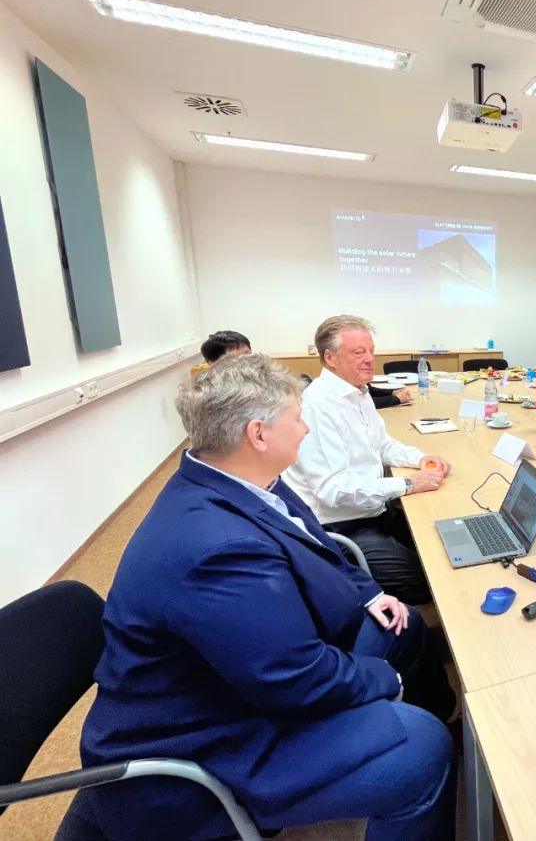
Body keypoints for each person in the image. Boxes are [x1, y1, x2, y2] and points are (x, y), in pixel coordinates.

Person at [78, 354, 457, 841]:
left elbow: (318, 545)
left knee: (402, 624)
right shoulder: (216, 548)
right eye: (296, 418)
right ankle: (410, 748)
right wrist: (387, 680)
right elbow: (292, 678)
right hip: (211, 740)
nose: (305, 428)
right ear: (258, 434)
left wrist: (369, 594)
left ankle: (408, 722)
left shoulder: (241, 480)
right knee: (423, 749)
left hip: (251, 679)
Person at [283, 315, 449, 604]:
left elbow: (381, 444)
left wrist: (420, 458)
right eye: (359, 352)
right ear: (330, 358)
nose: (370, 359)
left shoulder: (357, 392)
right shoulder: (318, 405)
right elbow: (333, 490)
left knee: (443, 547)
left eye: (371, 350)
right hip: (340, 525)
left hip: (370, 509)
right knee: (432, 581)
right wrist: (408, 484)